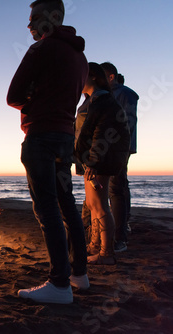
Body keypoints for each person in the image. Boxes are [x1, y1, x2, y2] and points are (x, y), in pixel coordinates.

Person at [7, 0, 89, 304]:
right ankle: (79, 274)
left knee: (47, 207)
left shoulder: (40, 49)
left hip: (41, 135)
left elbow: (13, 95)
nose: (29, 26)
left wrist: (34, 101)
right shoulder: (80, 57)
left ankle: (59, 284)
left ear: (50, 19)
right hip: (66, 137)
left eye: (33, 19)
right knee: (66, 203)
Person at [74, 62, 131, 265]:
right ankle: (95, 245)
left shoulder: (103, 100)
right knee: (92, 204)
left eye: (82, 75)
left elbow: (102, 134)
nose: (79, 80)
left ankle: (106, 253)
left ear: (94, 78)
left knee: (100, 205)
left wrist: (94, 162)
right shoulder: (92, 100)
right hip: (91, 159)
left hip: (99, 160)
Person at [100, 62, 139, 252]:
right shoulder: (106, 94)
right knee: (117, 188)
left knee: (117, 188)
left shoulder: (124, 93)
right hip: (107, 149)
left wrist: (117, 146)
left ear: (111, 76)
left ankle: (120, 237)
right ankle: (119, 229)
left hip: (117, 149)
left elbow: (128, 123)